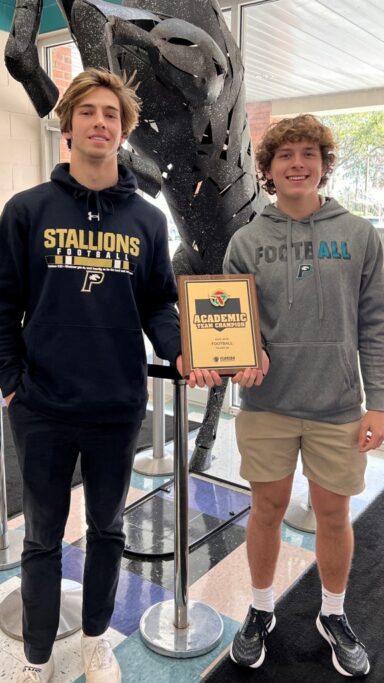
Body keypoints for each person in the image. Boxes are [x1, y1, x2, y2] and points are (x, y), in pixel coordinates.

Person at [0, 68, 221, 683]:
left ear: (123, 132)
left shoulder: (147, 220)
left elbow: (156, 302)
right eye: (89, 112)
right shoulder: (26, 210)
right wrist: (10, 379)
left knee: (107, 529)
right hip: (40, 405)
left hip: (118, 404)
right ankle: (36, 655)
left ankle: (95, 640)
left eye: (113, 115)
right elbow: (2, 302)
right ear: (67, 125)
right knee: (41, 539)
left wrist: (181, 351)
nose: (102, 122)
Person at [223, 114, 384, 678]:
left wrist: (379, 401)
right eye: (285, 154)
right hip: (267, 407)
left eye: (308, 153)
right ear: (266, 170)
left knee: (333, 515)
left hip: (337, 407)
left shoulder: (363, 236)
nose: (298, 163)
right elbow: (234, 326)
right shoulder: (246, 242)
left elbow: (375, 323)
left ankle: (333, 614)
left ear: (323, 164)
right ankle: (261, 608)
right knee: (265, 510)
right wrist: (246, 354)